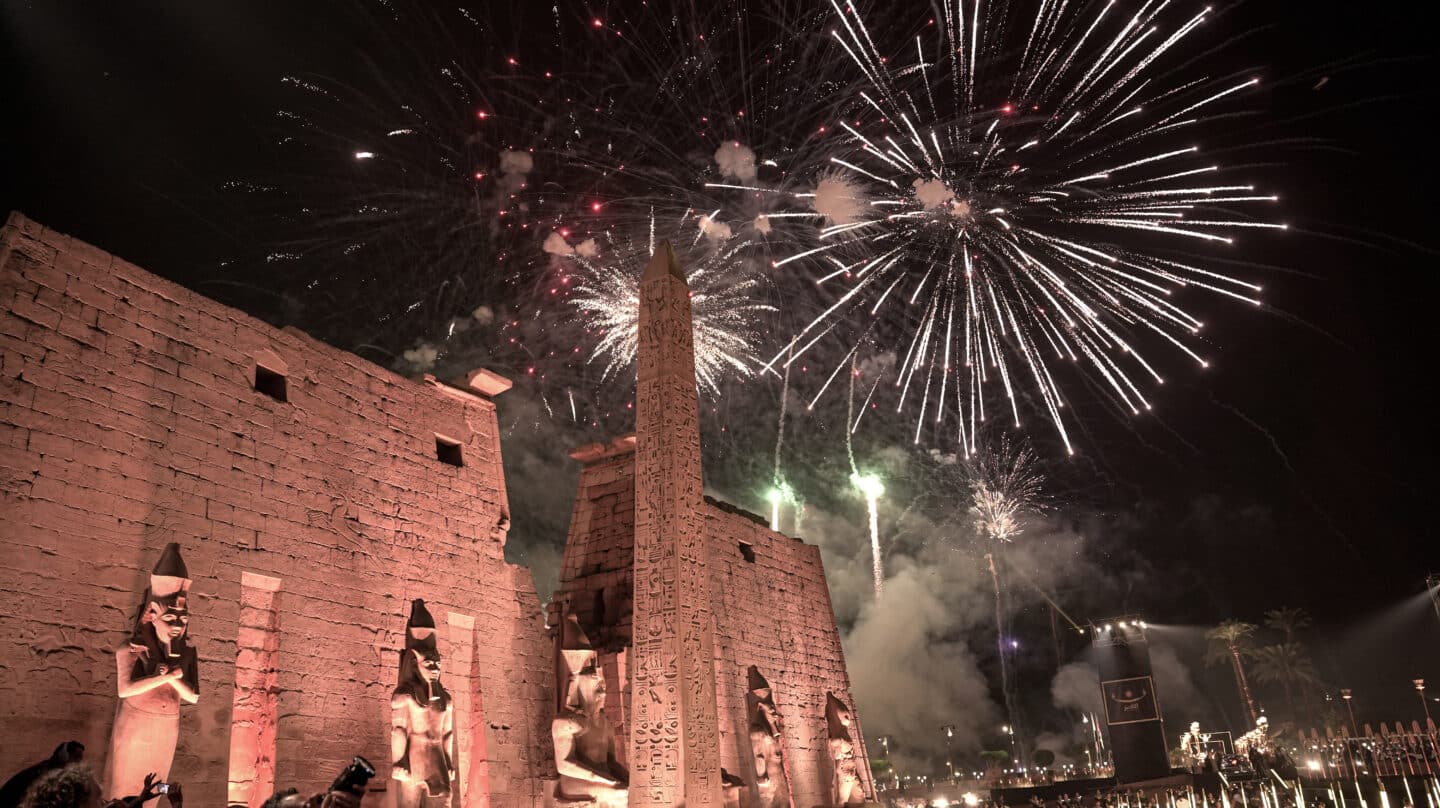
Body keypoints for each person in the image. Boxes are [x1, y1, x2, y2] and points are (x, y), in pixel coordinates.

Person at [1, 742, 84, 808]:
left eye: (80, 759)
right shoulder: (46, 775)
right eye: (76, 757)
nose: (78, 763)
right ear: (64, 756)